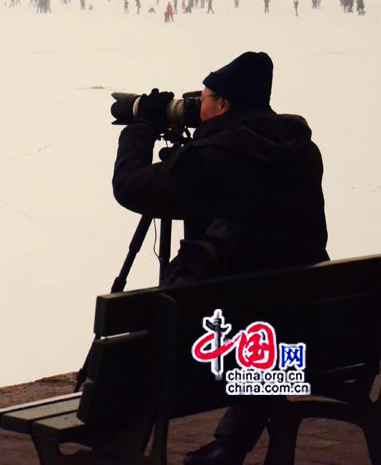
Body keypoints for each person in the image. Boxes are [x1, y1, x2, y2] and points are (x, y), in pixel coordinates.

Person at [112, 52, 328, 465]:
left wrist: (142, 126)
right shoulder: (301, 150)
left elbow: (131, 187)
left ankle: (119, 444)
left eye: (206, 99)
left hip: (219, 349)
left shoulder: (217, 159)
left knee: (135, 353)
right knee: (261, 310)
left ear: (225, 105)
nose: (199, 107)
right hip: (305, 333)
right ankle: (232, 443)